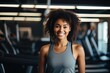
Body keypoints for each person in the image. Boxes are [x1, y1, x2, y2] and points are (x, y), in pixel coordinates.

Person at [39, 9, 85, 73]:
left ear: (70, 28)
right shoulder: (44, 50)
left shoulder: (78, 49)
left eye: (65, 27)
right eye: (57, 26)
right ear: (53, 28)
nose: (61, 30)